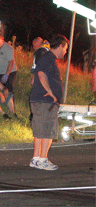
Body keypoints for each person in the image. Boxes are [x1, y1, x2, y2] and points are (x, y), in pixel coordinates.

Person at [29, 34, 69, 170]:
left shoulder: (45, 58)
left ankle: (36, 158)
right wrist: (51, 93)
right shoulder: (49, 58)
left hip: (39, 100)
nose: (65, 52)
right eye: (65, 48)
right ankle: (43, 159)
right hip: (45, 101)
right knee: (48, 130)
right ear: (60, 46)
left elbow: (34, 78)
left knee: (40, 130)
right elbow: (41, 75)